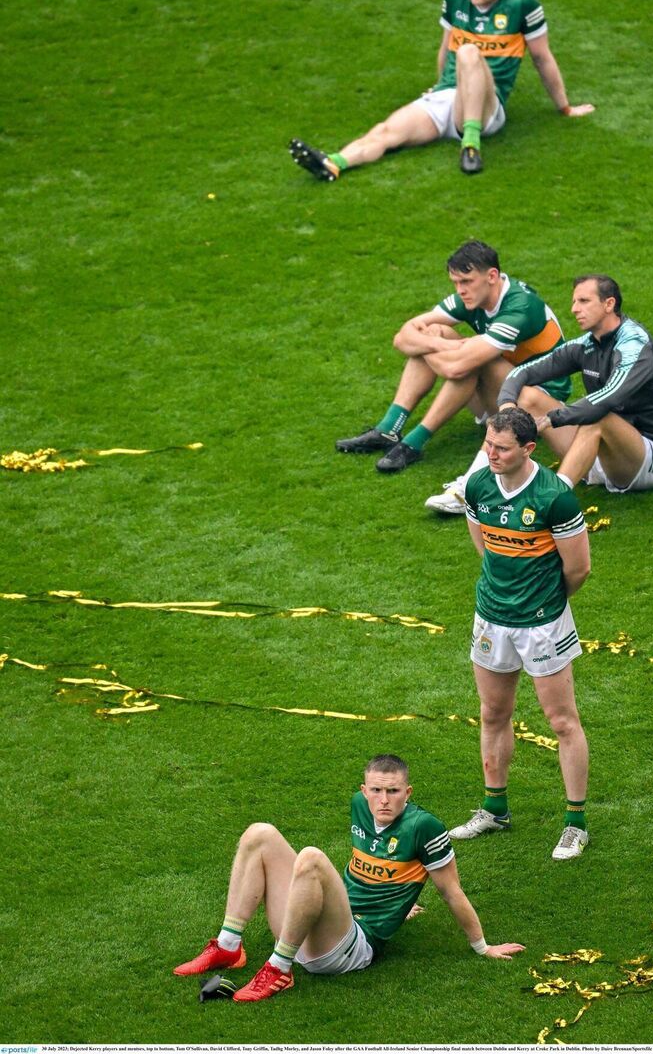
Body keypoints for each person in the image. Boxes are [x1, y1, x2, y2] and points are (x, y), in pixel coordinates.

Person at [173, 754, 524, 1003]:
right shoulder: (359, 805)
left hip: (353, 946)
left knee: (311, 859)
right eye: (376, 790)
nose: (382, 800)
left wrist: (483, 947)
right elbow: (379, 860)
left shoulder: (424, 827)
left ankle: (280, 969)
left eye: (393, 791)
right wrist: (400, 896)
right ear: (364, 789)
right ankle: (228, 946)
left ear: (408, 792)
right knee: (259, 833)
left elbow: (451, 892)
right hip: (318, 925)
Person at [290, 0, 593, 180]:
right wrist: (438, 87)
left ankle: (471, 145)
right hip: (448, 97)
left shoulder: (523, 5)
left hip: (488, 107)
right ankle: (334, 163)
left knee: (469, 52)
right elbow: (444, 47)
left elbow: (542, 57)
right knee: (386, 131)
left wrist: (564, 107)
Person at [449, 409, 592, 861]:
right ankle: (495, 809)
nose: (490, 454)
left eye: (501, 448)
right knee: (492, 713)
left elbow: (579, 568)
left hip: (542, 623)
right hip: (491, 617)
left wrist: (544, 600)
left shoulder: (555, 498)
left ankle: (575, 823)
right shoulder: (478, 485)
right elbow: (485, 545)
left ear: (528, 449)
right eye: (489, 444)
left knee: (562, 721)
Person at [335, 240, 571, 475]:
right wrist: (437, 343)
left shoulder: (521, 307)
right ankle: (388, 429)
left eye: (466, 281)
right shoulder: (471, 297)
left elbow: (457, 368)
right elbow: (402, 337)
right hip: (503, 394)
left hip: (537, 408)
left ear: (492, 276)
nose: (460, 290)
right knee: (435, 332)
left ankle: (413, 443)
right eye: (456, 282)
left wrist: (435, 349)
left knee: (475, 361)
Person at [496, 276, 653, 493]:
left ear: (609, 304)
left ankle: (553, 498)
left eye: (583, 301)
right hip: (601, 452)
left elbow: (608, 399)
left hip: (647, 460)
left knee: (598, 417)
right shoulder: (586, 344)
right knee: (528, 397)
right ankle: (495, 481)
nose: (574, 309)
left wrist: (553, 418)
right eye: (574, 302)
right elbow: (522, 372)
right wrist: (506, 408)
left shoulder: (634, 345)